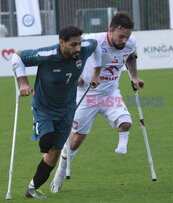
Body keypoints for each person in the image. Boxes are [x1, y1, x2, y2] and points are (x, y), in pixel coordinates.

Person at [50, 11, 144, 193]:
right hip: (86, 94)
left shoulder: (130, 43)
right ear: (110, 31)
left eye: (127, 36)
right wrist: (74, 75)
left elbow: (130, 56)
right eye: (121, 36)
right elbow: (68, 53)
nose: (124, 41)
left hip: (110, 93)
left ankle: (121, 147)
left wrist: (134, 76)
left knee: (126, 122)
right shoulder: (92, 40)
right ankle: (60, 173)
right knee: (76, 140)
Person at [11, 25, 102, 199]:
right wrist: (23, 82)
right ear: (61, 42)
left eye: (79, 44)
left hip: (67, 109)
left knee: (55, 152)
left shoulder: (84, 48)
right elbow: (17, 56)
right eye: (73, 45)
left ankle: (32, 188)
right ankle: (43, 136)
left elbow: (96, 44)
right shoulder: (47, 54)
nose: (78, 48)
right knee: (46, 143)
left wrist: (97, 73)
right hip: (43, 107)